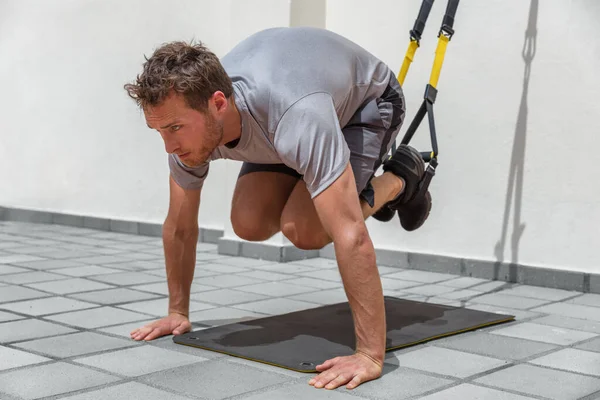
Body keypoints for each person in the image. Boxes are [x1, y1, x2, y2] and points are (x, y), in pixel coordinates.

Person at [124, 26, 432, 391]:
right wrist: (178, 312)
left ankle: (401, 178)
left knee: (309, 230)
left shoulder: (296, 116)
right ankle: (342, 178)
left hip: (364, 104)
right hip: (288, 110)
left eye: (175, 128)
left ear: (218, 104)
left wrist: (369, 355)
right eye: (159, 130)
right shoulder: (193, 129)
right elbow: (180, 224)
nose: (169, 146)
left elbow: (352, 235)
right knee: (248, 223)